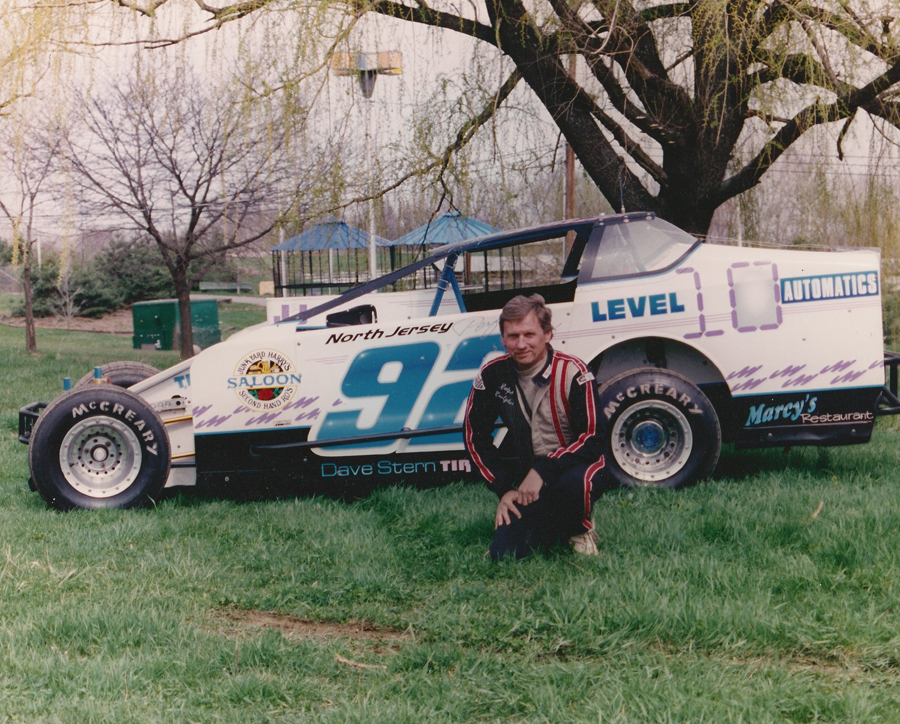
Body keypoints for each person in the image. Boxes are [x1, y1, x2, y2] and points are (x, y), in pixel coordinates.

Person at [464, 294, 614, 560]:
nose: (521, 344)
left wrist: (543, 469)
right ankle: (550, 519)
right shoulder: (493, 374)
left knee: (574, 484)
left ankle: (580, 529)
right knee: (503, 554)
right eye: (513, 336)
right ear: (503, 339)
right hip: (528, 477)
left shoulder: (574, 372)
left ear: (547, 334)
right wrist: (505, 489)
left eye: (529, 334)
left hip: (574, 468)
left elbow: (594, 437)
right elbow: (474, 436)